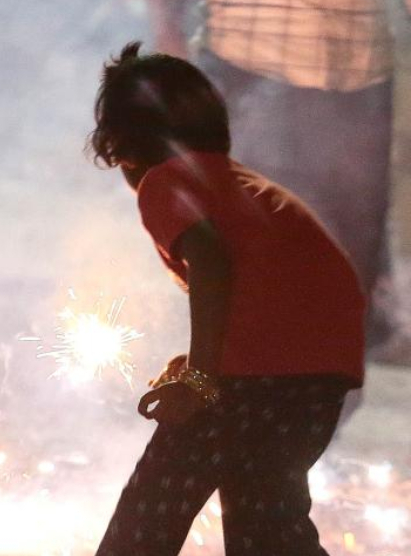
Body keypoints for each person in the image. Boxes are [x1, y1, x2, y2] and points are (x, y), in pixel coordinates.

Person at [45, 42, 362, 556]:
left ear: (124, 143)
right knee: (273, 518)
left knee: (160, 489)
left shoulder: (167, 180)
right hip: (322, 367)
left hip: (262, 370)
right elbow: (257, 289)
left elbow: (213, 268)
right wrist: (201, 360)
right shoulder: (236, 180)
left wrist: (200, 377)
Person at [149, 0, 406, 353]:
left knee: (346, 272)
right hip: (250, 69)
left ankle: (324, 392)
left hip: (357, 85)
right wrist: (168, 33)